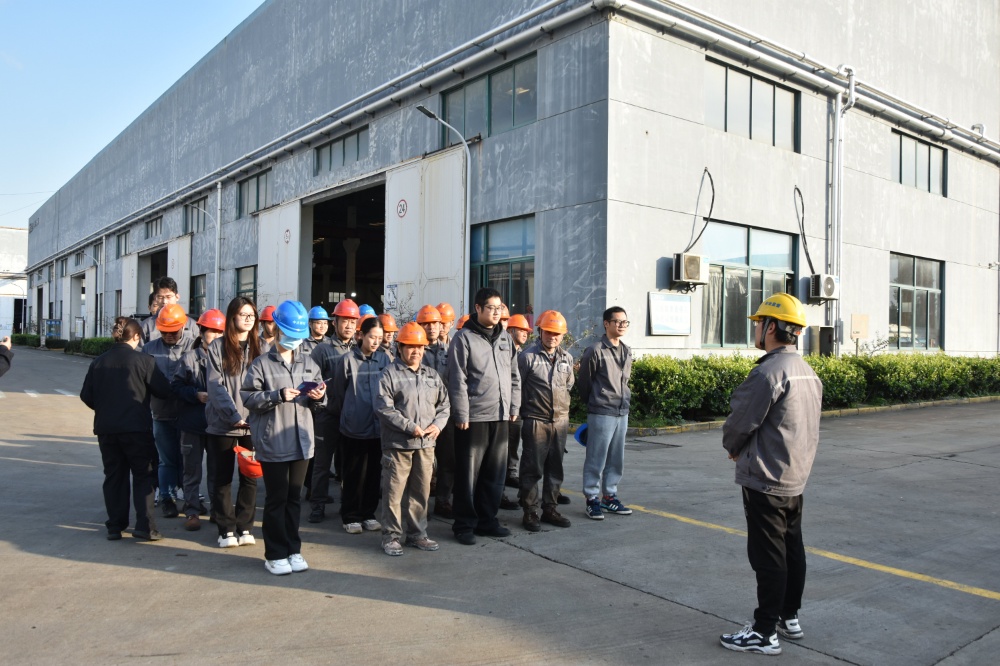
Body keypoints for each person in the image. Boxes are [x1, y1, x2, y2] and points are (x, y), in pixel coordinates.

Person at [719, 294, 822, 655]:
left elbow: (741, 421)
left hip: (766, 477)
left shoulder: (768, 372)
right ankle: (788, 617)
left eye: (759, 323)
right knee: (792, 548)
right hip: (794, 476)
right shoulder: (807, 371)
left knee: (768, 556)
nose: (756, 329)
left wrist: (733, 446)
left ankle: (764, 632)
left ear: (772, 327)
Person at [241, 300, 327, 576]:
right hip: (274, 440)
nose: (294, 341)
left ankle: (293, 549)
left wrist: (319, 396)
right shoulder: (261, 364)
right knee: (277, 499)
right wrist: (277, 395)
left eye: (298, 336)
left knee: (294, 498)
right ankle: (275, 554)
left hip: (302, 441)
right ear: (277, 329)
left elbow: (321, 402)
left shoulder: (309, 362)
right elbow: (248, 398)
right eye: (290, 334)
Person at [80, 317, 172, 541]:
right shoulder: (144, 361)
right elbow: (163, 390)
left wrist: (105, 408)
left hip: (106, 429)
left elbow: (86, 395)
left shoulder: (98, 362)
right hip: (136, 428)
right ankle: (145, 527)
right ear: (137, 336)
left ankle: (115, 526)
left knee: (114, 476)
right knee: (143, 475)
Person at [447, 288, 520, 545]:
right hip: (473, 417)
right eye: (491, 307)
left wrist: (514, 407)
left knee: (495, 472)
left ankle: (487, 521)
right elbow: (457, 378)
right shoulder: (463, 339)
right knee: (468, 474)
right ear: (477, 308)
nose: (496, 312)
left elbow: (514, 375)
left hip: (500, 415)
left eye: (500, 308)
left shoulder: (505, 338)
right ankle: (464, 525)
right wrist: (461, 412)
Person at [375, 322, 450, 556]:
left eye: (419, 347)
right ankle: (391, 537)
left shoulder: (432, 375)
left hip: (426, 445)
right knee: (394, 493)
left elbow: (445, 405)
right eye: (410, 346)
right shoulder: (389, 374)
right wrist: (410, 427)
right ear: (400, 348)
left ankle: (417, 535)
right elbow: (383, 407)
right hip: (398, 445)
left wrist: (438, 425)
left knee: (421, 492)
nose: (415, 351)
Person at [205, 297, 263, 548]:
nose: (248, 319)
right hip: (223, 425)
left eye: (252, 315)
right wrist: (233, 416)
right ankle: (226, 530)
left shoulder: (262, 347)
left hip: (252, 424)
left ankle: (245, 526)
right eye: (243, 314)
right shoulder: (217, 347)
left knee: (250, 477)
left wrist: (253, 416)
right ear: (232, 317)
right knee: (222, 478)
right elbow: (215, 385)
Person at [330, 316, 390, 534]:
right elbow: (338, 393)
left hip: (378, 427)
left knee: (374, 473)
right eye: (372, 337)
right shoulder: (347, 360)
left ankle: (368, 514)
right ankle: (351, 515)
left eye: (379, 338)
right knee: (354, 473)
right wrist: (349, 414)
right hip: (354, 427)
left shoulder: (384, 360)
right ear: (361, 335)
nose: (375, 342)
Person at [517, 311, 574, 532]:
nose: (552, 337)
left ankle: (550, 508)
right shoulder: (527, 357)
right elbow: (517, 387)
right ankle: (530, 511)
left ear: (562, 335)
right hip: (535, 420)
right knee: (532, 467)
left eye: (557, 333)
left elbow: (568, 385)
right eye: (548, 332)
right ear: (540, 331)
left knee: (555, 467)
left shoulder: (567, 358)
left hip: (560, 421)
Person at [171, 308, 226, 531]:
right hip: (192, 423)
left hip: (218, 424)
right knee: (191, 470)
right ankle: (192, 510)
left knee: (217, 470)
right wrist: (195, 394)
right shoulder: (189, 359)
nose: (216, 335)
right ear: (201, 332)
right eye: (212, 331)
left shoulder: (228, 359)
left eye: (219, 331)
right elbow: (176, 387)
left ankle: (217, 510)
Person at [579, 306, 633, 520]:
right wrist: (595, 402)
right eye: (617, 321)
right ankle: (592, 498)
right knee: (596, 457)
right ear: (606, 324)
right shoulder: (596, 350)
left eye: (625, 322)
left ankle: (609, 496)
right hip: (601, 411)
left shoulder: (627, 350)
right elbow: (585, 382)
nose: (622, 325)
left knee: (616, 458)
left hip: (621, 411)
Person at [307, 298, 359, 522]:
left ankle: (347, 504)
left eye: (353, 322)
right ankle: (317, 505)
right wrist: (320, 404)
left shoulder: (359, 350)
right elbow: (310, 380)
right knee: (322, 463)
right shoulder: (322, 350)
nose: (349, 326)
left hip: (351, 416)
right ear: (335, 322)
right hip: (327, 415)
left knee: (348, 464)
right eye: (344, 321)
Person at [143, 303, 195, 518]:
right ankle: (166, 498)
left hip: (188, 414)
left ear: (183, 327)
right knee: (166, 459)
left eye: (173, 331)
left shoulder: (194, 346)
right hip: (161, 413)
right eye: (165, 332)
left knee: (188, 460)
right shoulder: (149, 350)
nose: (169, 336)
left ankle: (190, 499)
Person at [416, 305, 455, 519]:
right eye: (427, 324)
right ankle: (420, 506)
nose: (431, 328)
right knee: (423, 464)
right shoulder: (415, 349)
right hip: (422, 415)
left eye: (435, 324)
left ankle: (442, 501)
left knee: (447, 461)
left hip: (445, 414)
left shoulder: (451, 350)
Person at [504, 314, 532, 493]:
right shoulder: (503, 352)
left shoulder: (524, 354)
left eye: (526, 331)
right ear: (511, 331)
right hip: (503, 407)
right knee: (502, 446)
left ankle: (511, 473)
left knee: (514, 443)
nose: (525, 334)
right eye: (521, 330)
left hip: (520, 407)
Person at [140, 276, 199, 346]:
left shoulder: (192, 325)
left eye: (168, 297)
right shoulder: (146, 326)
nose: (164, 301)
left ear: (177, 297)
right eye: (160, 297)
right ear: (155, 298)